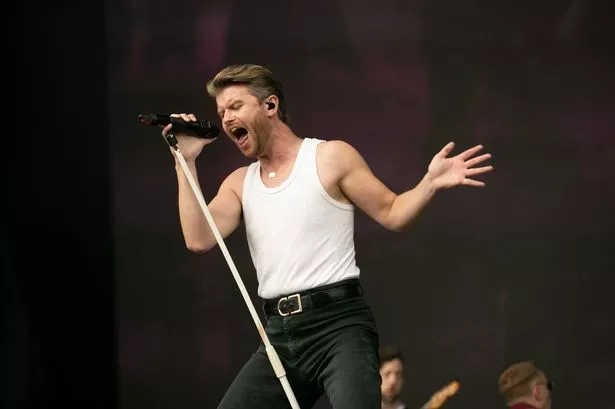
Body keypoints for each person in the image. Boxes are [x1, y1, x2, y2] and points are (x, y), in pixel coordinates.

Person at [162, 63, 493, 409]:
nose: (225, 118)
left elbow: (393, 212)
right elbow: (198, 238)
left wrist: (429, 183)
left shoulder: (329, 157)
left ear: (270, 106)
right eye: (221, 111)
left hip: (338, 327)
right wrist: (184, 162)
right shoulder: (240, 183)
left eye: (235, 106)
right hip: (280, 335)